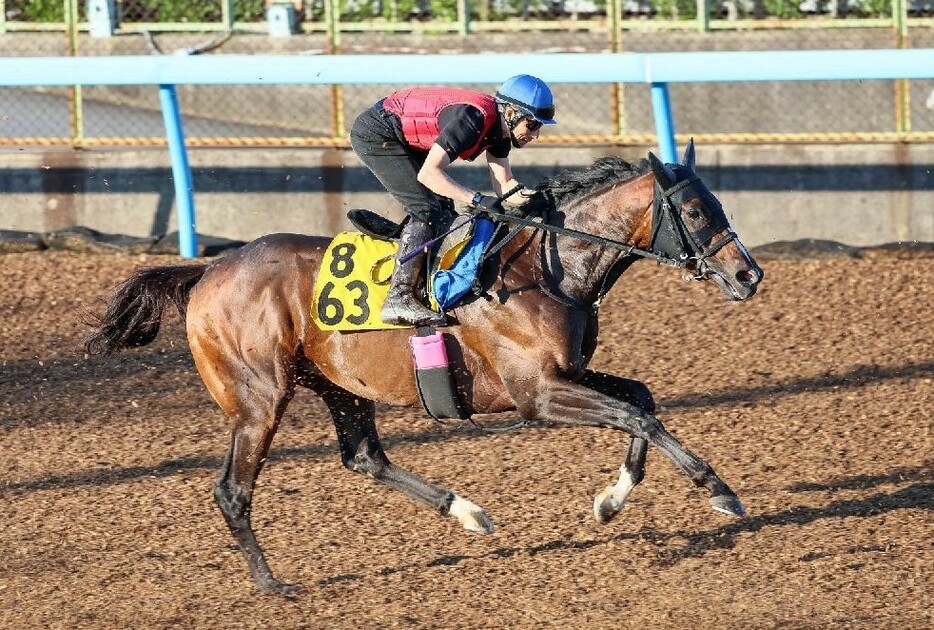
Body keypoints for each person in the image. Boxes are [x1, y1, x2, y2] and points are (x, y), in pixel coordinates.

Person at [349, 74, 557, 327]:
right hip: (377, 132)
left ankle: (412, 255)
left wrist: (540, 199)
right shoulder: (472, 119)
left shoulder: (500, 131)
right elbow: (429, 174)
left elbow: (504, 185)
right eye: (532, 125)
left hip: (400, 134)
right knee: (427, 210)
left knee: (443, 210)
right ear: (512, 112)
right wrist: (477, 199)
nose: (535, 135)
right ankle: (398, 297)